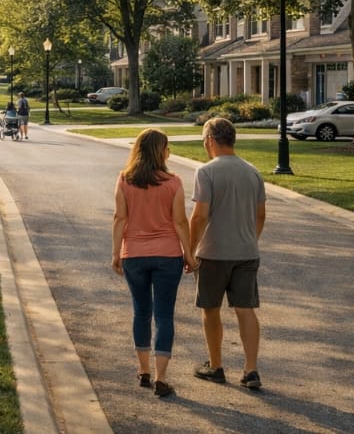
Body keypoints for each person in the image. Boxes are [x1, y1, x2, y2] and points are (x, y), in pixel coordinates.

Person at [111, 128, 197, 398]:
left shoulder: (125, 179)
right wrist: (189, 253)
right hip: (167, 255)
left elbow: (119, 218)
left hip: (133, 254)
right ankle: (161, 377)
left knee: (141, 312)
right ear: (162, 151)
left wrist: (116, 253)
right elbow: (180, 221)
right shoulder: (173, 182)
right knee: (163, 315)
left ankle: (144, 370)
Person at [189, 117, 267, 390]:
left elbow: (199, 217)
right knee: (246, 310)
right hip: (246, 251)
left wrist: (189, 250)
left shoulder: (206, 172)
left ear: (210, 140)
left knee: (211, 309)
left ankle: (216, 365)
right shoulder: (253, 172)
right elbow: (260, 215)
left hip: (213, 252)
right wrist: (248, 240)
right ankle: (251, 370)